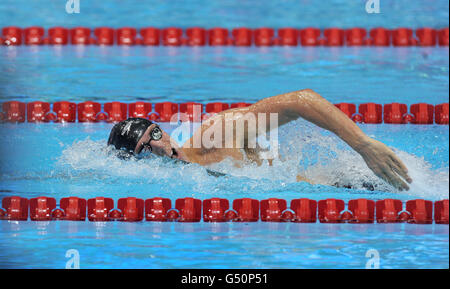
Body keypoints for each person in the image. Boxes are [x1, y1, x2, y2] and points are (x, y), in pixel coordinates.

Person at [107, 89, 412, 190]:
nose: (159, 147)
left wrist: (363, 145)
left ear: (163, 128)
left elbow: (301, 101)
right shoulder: (183, 188)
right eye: (145, 149)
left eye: (155, 134)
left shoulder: (218, 132)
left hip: (360, 182)